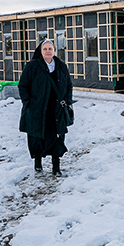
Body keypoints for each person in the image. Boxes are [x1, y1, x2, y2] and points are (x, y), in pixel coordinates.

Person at [18, 39, 74, 176]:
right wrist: (28, 103)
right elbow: (23, 86)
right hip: (37, 110)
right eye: (45, 49)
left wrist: (67, 101)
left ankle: (56, 167)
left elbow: (68, 86)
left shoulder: (61, 66)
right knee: (37, 137)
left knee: (57, 137)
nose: (48, 51)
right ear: (40, 51)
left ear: (54, 51)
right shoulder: (32, 66)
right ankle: (38, 163)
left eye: (50, 49)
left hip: (56, 110)